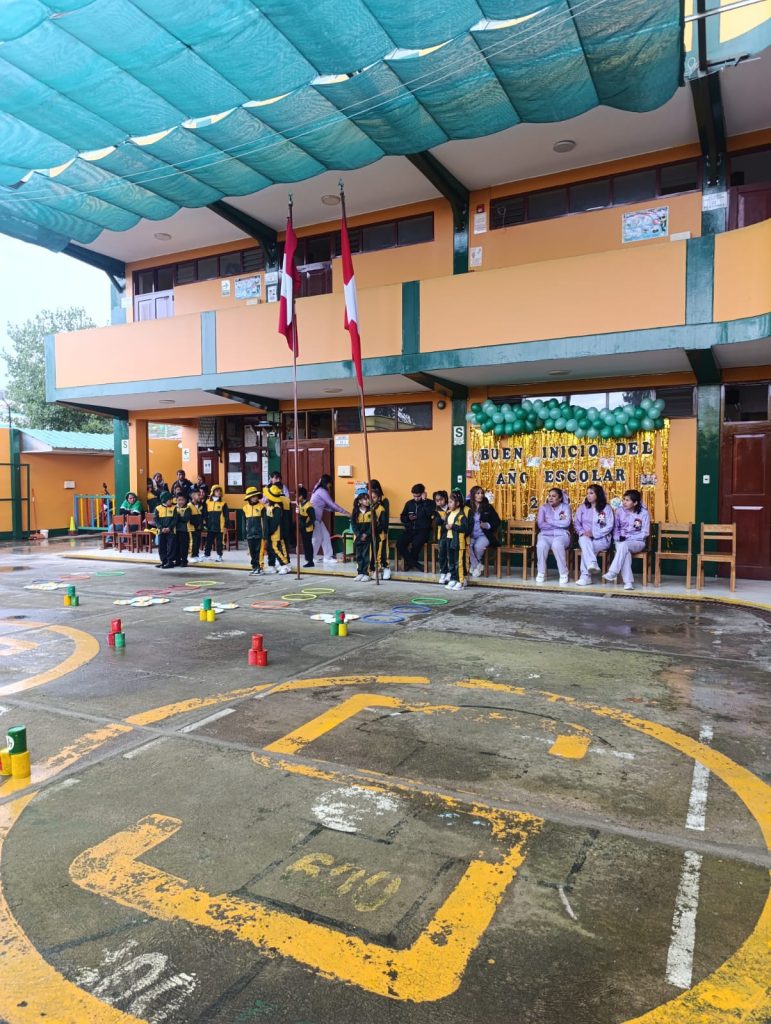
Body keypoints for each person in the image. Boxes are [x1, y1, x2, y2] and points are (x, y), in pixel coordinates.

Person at [603, 489, 650, 591]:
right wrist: (617, 538)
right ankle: (628, 583)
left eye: (627, 500)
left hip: (637, 542)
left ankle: (613, 571)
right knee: (625, 551)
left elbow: (645, 532)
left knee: (624, 546)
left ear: (635, 503)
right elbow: (616, 528)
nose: (624, 502)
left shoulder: (644, 513)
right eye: (624, 499)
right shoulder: (619, 511)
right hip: (621, 541)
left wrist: (629, 538)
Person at [574, 485, 615, 587]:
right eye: (587, 493)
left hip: (602, 539)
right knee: (584, 541)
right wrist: (583, 532)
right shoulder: (582, 508)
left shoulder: (606, 508)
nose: (588, 496)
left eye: (591, 493)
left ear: (598, 494)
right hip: (585, 537)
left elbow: (609, 526)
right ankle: (592, 564)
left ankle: (585, 577)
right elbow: (577, 523)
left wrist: (594, 533)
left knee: (587, 549)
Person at [536, 487, 572, 584]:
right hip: (546, 535)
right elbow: (541, 524)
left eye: (554, 496)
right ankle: (541, 572)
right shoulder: (544, 508)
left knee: (557, 545)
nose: (550, 498)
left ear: (560, 498)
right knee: (541, 545)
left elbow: (566, 523)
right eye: (549, 496)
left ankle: (563, 573)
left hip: (561, 536)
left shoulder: (565, 507)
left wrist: (550, 521)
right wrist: (558, 525)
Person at [310, 474, 348, 564]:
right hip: (314, 519)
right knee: (317, 538)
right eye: (330, 483)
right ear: (327, 483)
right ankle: (311, 557)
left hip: (318, 519)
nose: (330, 485)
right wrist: (345, 512)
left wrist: (333, 509)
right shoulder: (322, 491)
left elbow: (324, 505)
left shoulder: (317, 488)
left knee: (325, 536)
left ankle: (326, 557)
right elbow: (332, 504)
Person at [398, 483, 435, 572]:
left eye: (418, 496)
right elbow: (402, 517)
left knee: (416, 544)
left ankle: (410, 563)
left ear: (423, 494)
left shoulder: (430, 503)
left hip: (423, 531)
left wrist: (424, 500)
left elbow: (430, 513)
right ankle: (415, 564)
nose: (416, 498)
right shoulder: (409, 503)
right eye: (414, 496)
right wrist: (408, 518)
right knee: (399, 544)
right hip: (409, 530)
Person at [467, 486, 501, 578]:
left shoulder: (488, 507)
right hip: (470, 534)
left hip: (483, 535)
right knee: (467, 544)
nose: (480, 495)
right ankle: (477, 565)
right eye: (478, 493)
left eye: (482, 493)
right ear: (473, 495)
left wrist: (487, 525)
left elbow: (497, 521)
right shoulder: (467, 505)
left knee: (478, 547)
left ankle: (474, 565)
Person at [445, 490, 470, 590]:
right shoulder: (449, 513)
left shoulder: (461, 515)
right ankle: (453, 579)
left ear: (458, 503)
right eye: (448, 502)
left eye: (451, 502)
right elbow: (445, 524)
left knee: (458, 562)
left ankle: (460, 581)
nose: (449, 504)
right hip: (449, 539)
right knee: (451, 560)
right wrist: (446, 526)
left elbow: (465, 528)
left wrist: (453, 526)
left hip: (458, 541)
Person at [263, 483, 291, 574]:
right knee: (270, 549)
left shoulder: (277, 508)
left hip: (275, 533)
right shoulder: (270, 507)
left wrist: (270, 531)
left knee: (276, 549)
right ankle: (272, 566)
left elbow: (275, 522)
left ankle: (284, 565)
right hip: (270, 533)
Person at [369, 479, 391, 579]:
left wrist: (385, 531)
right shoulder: (368, 501)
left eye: (371, 489)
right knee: (373, 551)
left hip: (382, 530)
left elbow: (385, 518)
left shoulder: (384, 500)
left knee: (383, 550)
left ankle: (386, 567)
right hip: (371, 532)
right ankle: (374, 569)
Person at [351, 492, 374, 582]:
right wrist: (359, 535)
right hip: (358, 538)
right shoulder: (355, 511)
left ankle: (367, 573)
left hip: (367, 537)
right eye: (365, 499)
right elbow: (353, 525)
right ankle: (360, 573)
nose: (367, 501)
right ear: (360, 501)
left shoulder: (371, 511)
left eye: (368, 499)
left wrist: (366, 534)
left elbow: (372, 525)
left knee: (366, 555)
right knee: (359, 555)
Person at [242, 486, 265, 576]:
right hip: (249, 534)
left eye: (256, 496)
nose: (255, 498)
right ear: (249, 498)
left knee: (259, 551)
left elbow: (264, 522)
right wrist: (244, 533)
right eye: (253, 496)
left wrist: (264, 533)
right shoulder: (245, 508)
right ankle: (254, 567)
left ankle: (259, 568)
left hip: (259, 533)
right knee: (252, 552)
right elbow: (244, 522)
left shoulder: (261, 507)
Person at [203, 485, 227, 562]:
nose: (219, 492)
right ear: (213, 492)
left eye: (220, 491)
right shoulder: (207, 502)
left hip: (220, 526)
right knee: (208, 541)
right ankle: (207, 555)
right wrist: (205, 523)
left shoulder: (223, 503)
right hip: (210, 526)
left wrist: (226, 526)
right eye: (217, 491)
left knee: (219, 542)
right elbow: (205, 514)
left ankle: (219, 555)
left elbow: (226, 515)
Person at [155, 492, 176, 569]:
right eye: (169, 500)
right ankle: (163, 561)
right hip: (161, 531)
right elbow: (156, 520)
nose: (171, 501)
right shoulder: (158, 508)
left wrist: (169, 528)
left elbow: (175, 519)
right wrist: (161, 528)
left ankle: (170, 562)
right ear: (164, 500)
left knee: (171, 547)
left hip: (171, 531)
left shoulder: (174, 508)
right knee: (161, 546)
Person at [296, 486, 316, 568]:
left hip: (308, 528)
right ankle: (308, 559)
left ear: (301, 496)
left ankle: (310, 561)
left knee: (308, 544)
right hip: (303, 528)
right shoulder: (300, 504)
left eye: (297, 495)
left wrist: (305, 525)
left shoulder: (309, 506)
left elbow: (313, 518)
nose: (296, 497)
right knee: (305, 544)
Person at [432, 490, 450, 583]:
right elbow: (437, 522)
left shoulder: (451, 507)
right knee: (442, 554)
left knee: (450, 554)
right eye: (437, 500)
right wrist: (442, 519)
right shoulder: (436, 510)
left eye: (441, 499)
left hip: (451, 535)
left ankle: (450, 572)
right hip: (441, 536)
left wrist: (445, 519)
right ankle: (443, 572)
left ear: (445, 498)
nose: (439, 502)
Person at [173, 493, 191, 567]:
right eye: (179, 500)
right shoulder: (174, 508)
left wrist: (177, 517)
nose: (181, 501)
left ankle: (184, 561)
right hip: (175, 530)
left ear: (185, 500)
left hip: (184, 530)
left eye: (182, 500)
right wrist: (177, 517)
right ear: (176, 500)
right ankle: (177, 560)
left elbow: (185, 519)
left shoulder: (187, 508)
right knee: (176, 546)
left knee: (184, 546)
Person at [188, 488, 205, 562]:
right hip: (192, 527)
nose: (200, 496)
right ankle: (191, 556)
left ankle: (196, 555)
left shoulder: (201, 505)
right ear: (193, 496)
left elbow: (202, 516)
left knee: (198, 541)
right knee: (193, 542)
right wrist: (196, 524)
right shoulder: (189, 506)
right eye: (198, 495)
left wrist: (201, 524)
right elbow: (189, 518)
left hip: (199, 527)